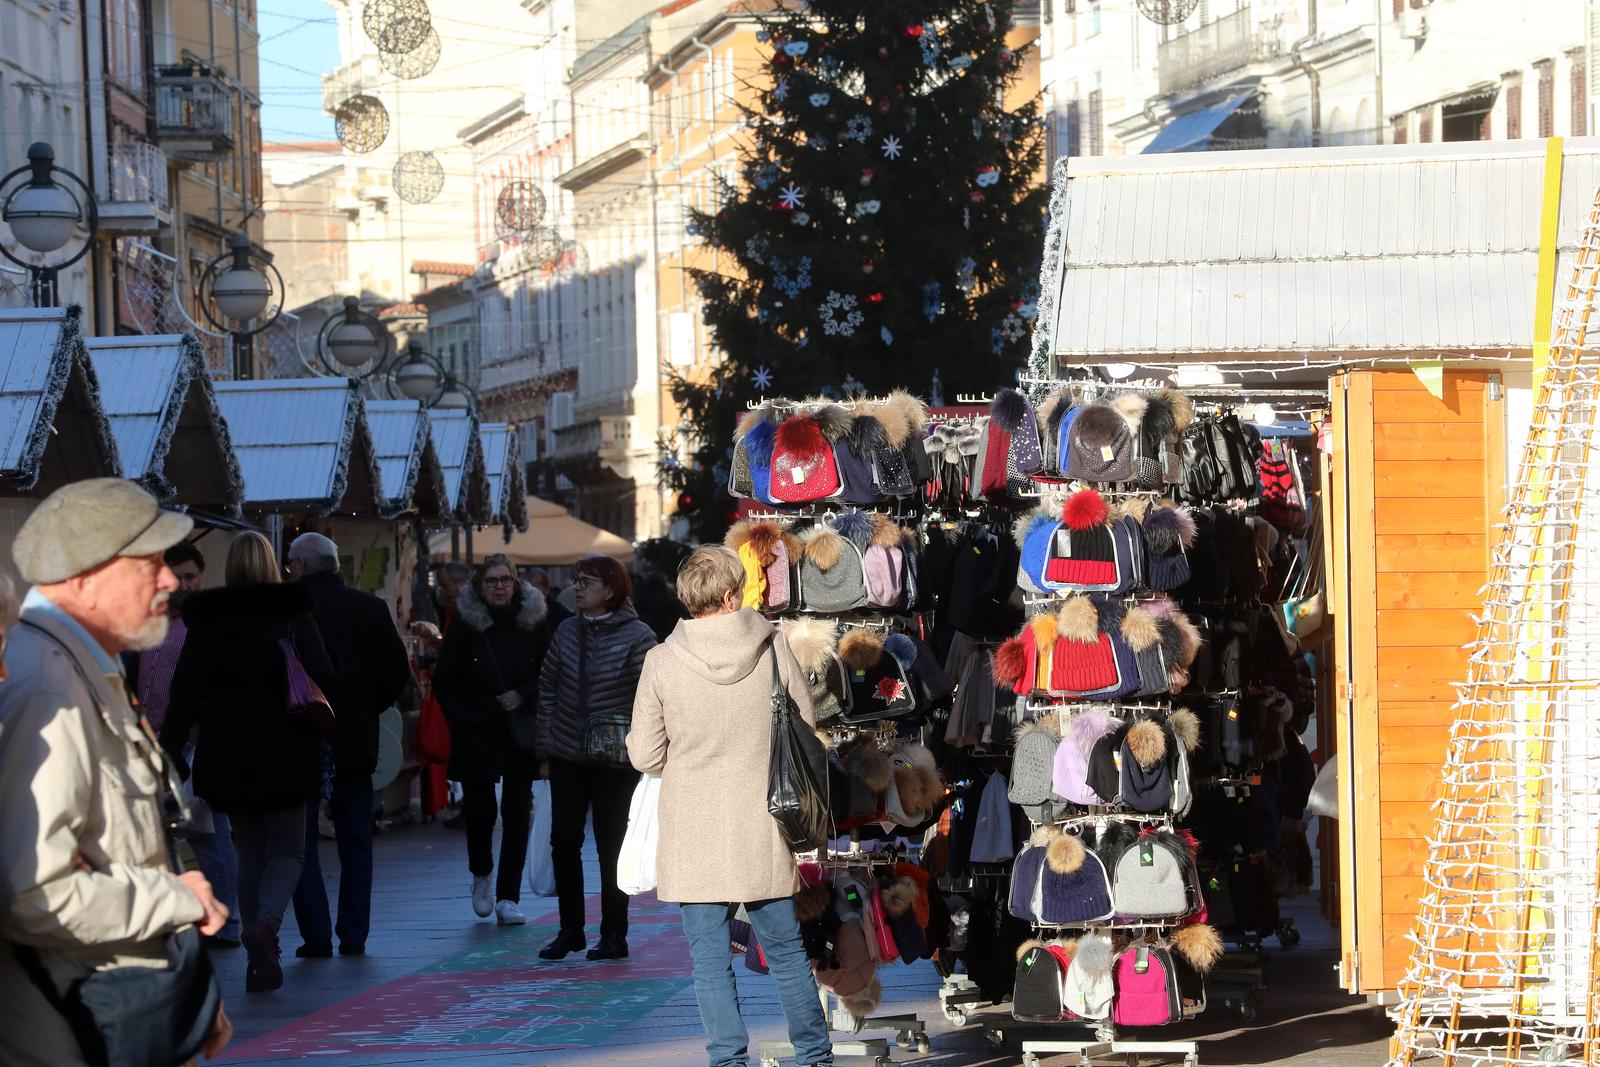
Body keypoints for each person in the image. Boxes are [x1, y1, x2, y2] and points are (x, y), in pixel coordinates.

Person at [0, 479, 233, 1065]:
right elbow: (32, 894)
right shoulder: (45, 687)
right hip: (76, 1029)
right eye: (148, 563)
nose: (170, 580)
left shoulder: (81, 670)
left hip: (116, 1016)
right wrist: (174, 899)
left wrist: (190, 996)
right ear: (83, 579)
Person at [627, 546, 833, 1067]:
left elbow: (645, 753)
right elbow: (804, 726)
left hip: (692, 826)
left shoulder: (661, 660)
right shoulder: (772, 646)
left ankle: (727, 1059)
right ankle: (814, 1055)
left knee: (708, 960)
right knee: (786, 951)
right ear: (729, 594)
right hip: (763, 820)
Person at [161, 533, 338, 993]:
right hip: (286, 746)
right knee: (289, 850)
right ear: (272, 565)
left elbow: (184, 693)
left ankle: (256, 959)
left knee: (250, 849)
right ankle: (266, 926)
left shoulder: (206, 621)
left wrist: (169, 752)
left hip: (226, 749)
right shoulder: (291, 612)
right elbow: (324, 675)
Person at [287, 532, 411, 958]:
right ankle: (354, 932)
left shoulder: (289, 610)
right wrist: (366, 706)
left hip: (300, 738)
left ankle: (316, 933)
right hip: (356, 738)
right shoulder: (370, 609)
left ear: (300, 567)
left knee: (300, 841)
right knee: (355, 838)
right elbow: (397, 673)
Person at [535, 554, 657, 961]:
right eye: (576, 580)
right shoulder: (566, 631)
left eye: (586, 581)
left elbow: (652, 697)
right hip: (568, 752)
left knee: (612, 845)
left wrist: (644, 746)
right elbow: (548, 689)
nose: (577, 587)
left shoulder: (639, 636)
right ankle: (570, 929)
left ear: (611, 588)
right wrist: (546, 745)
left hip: (615, 758)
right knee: (563, 841)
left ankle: (614, 933)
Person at [128, 540, 244, 950]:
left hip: (195, 746)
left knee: (208, 837)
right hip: (149, 747)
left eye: (192, 576)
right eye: (177, 576)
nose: (185, 584)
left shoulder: (210, 627)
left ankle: (225, 923)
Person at [433, 554, 552, 925]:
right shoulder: (466, 624)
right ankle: (481, 873)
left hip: (518, 730)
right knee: (481, 810)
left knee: (518, 811)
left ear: (516, 583)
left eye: (506, 580)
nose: (500, 586)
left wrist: (524, 694)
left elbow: (550, 670)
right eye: (492, 581)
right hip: (477, 729)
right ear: (480, 586)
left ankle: (508, 896)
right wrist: (462, 720)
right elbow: (444, 679)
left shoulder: (532, 620)